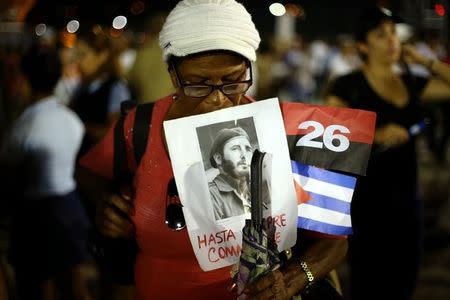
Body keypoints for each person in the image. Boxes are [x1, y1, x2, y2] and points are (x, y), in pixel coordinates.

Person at [78, 1, 347, 299]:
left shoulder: (278, 130)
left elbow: (333, 238)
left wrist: (294, 278)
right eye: (199, 83)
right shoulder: (139, 127)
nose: (218, 99)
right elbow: (88, 174)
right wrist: (107, 205)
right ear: (172, 74)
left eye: (233, 81)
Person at [325, 6, 450, 300]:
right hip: (367, 202)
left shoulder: (410, 81)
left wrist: (423, 60)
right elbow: (328, 137)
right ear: (363, 45)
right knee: (369, 283)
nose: (392, 40)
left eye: (394, 32)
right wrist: (375, 134)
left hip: (407, 199)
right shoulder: (347, 86)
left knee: (405, 279)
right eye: (381, 34)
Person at [0, 45, 91, 300]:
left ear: (26, 80)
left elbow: (8, 173)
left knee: (39, 287)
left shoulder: (23, 126)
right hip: (70, 206)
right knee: (75, 283)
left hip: (35, 213)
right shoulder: (71, 119)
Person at [70, 24, 132, 158]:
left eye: (83, 55)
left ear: (102, 56)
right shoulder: (81, 87)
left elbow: (115, 133)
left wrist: (76, 126)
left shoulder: (116, 89)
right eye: (76, 56)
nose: (78, 62)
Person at [209, 127, 253, 220]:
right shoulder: (211, 195)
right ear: (218, 159)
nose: (244, 155)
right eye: (235, 148)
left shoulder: (258, 186)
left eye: (248, 149)